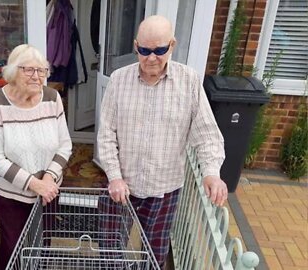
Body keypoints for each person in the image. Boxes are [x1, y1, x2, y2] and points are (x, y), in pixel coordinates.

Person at [97, 15, 228, 268]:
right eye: (144, 50)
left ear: (172, 45)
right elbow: (106, 134)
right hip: (121, 183)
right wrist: (114, 176)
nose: (151, 58)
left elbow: (207, 134)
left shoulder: (189, 81)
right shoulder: (118, 79)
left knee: (154, 255)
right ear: (136, 45)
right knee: (109, 251)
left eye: (159, 50)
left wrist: (211, 172)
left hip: (164, 187)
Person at [0, 44, 72, 270]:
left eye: (41, 70)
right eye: (29, 70)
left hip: (49, 191)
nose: (37, 77)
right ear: (14, 71)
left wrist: (49, 179)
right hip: (12, 195)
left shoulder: (52, 98)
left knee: (43, 244)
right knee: (13, 247)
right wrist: (34, 183)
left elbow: (65, 145)